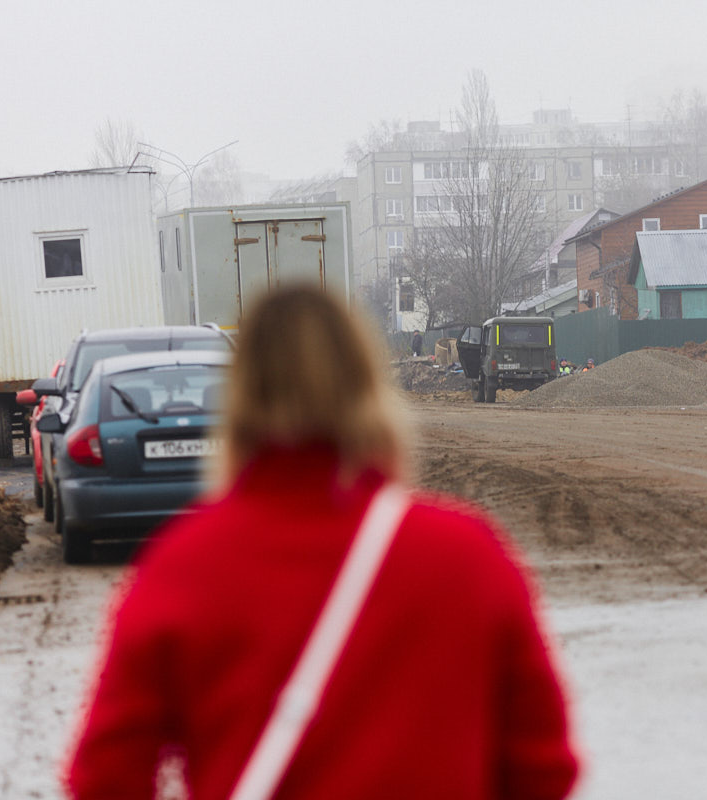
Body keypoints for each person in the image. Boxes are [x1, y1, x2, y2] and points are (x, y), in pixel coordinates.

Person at [64, 286, 580, 800]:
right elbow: (543, 769)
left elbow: (106, 777)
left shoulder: (182, 566)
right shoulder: (466, 555)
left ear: (240, 399)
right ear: (368, 389)